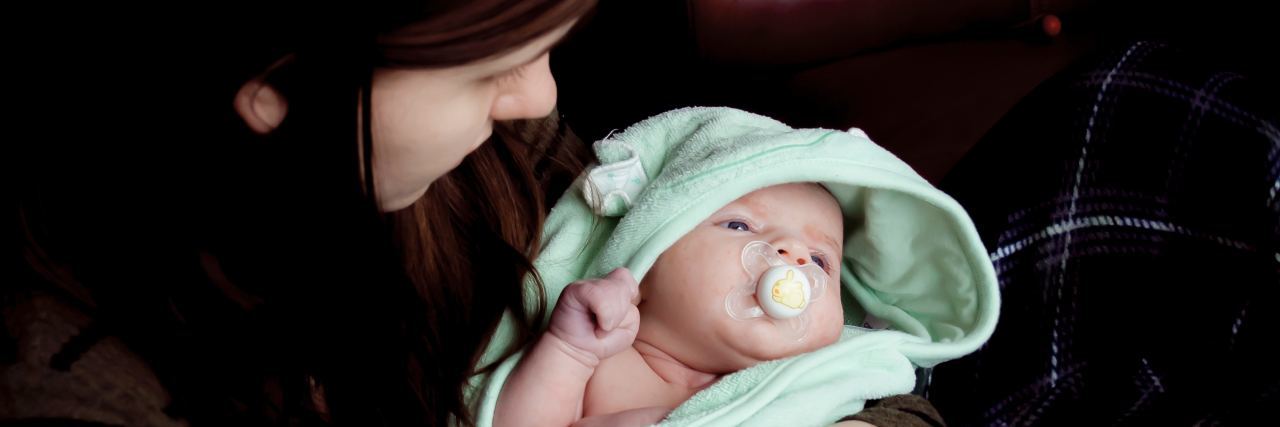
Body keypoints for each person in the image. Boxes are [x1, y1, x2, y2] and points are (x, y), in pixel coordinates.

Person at [7, 1, 598, 425]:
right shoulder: (73, 384)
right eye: (489, 71)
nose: (539, 97)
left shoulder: (484, 160)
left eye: (544, 47)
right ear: (274, 84)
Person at [476, 107, 1000, 426]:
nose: (792, 258)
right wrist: (568, 348)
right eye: (740, 227)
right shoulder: (599, 360)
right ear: (649, 253)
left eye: (820, 259)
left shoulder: (825, 379)